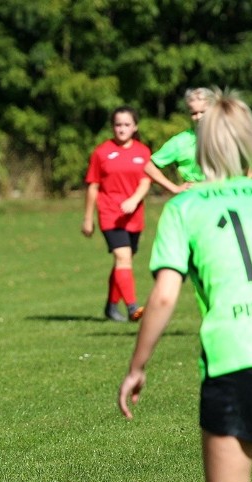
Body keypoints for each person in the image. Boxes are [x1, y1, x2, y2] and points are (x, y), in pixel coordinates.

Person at [117, 89, 252, 482]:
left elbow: (162, 296)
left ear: (199, 148)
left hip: (232, 360)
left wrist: (137, 367)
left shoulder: (185, 208)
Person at [82, 106, 152, 322]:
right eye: (118, 125)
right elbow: (93, 186)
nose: (122, 129)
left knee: (124, 261)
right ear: (113, 127)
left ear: (135, 127)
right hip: (110, 213)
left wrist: (134, 200)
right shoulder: (102, 152)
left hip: (133, 216)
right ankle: (132, 308)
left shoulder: (143, 152)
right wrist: (87, 218)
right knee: (123, 257)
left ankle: (111, 307)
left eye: (126, 125)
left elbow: (146, 180)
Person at [144, 87, 215, 194]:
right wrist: (174, 188)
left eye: (203, 112)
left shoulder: (228, 136)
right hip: (195, 199)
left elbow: (248, 159)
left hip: (226, 197)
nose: (199, 117)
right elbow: (148, 166)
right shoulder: (180, 141)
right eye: (194, 113)